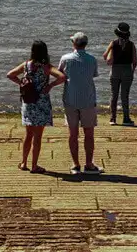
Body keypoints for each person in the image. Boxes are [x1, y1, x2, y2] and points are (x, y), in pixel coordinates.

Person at [6, 40, 66, 173]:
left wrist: (22, 82)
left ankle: (23, 162)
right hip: (41, 102)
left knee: (28, 135)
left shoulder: (26, 65)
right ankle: (34, 165)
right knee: (38, 137)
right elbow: (62, 77)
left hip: (28, 102)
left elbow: (10, 74)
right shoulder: (46, 67)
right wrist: (50, 85)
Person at [58, 31, 102, 174]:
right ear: (85, 44)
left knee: (73, 134)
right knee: (89, 134)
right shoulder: (92, 59)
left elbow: (60, 74)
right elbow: (94, 75)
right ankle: (89, 164)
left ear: (74, 44)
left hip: (70, 99)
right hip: (88, 100)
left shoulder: (65, 59)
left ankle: (75, 164)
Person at [102, 22, 137, 126]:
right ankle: (126, 119)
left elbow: (104, 56)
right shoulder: (131, 45)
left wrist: (111, 54)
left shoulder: (113, 43)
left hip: (115, 70)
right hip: (127, 70)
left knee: (114, 95)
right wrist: (132, 72)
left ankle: (113, 119)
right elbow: (134, 62)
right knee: (125, 96)